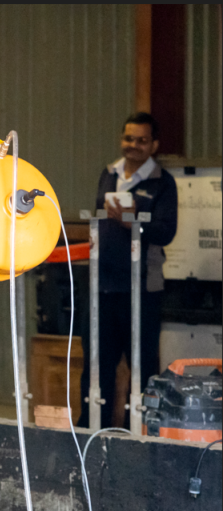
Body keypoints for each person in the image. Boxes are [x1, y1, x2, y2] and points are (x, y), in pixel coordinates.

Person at [80, 112, 178, 428]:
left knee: (142, 365)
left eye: (141, 140)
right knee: (97, 364)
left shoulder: (163, 183)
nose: (133, 146)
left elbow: (166, 231)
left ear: (154, 145)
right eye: (128, 139)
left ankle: (144, 429)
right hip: (101, 287)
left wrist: (134, 221)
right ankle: (92, 428)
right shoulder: (109, 173)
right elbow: (97, 215)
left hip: (140, 289)